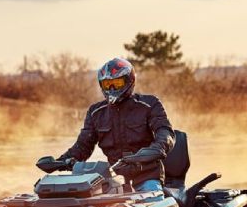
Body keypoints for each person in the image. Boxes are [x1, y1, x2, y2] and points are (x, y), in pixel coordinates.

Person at [57, 57, 175, 195]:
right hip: (112, 180)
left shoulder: (149, 104)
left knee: (153, 203)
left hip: (146, 177)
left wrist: (158, 147)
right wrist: (60, 161)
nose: (112, 88)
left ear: (129, 81)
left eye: (117, 83)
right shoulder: (96, 112)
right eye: (107, 84)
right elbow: (83, 146)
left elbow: (165, 132)